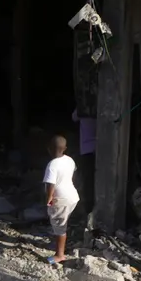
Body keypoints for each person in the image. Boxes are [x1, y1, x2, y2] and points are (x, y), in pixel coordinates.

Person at [44, 135, 79, 265]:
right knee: (62, 223)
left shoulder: (52, 164)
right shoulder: (69, 160)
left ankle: (60, 255)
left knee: (59, 227)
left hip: (61, 199)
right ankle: (61, 248)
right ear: (65, 148)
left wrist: (49, 198)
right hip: (72, 197)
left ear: (49, 149)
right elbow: (72, 173)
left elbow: (50, 184)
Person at [72, 108, 96, 215]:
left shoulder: (82, 110)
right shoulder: (99, 109)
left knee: (88, 180)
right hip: (99, 149)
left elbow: (73, 117)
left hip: (86, 150)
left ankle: (89, 208)